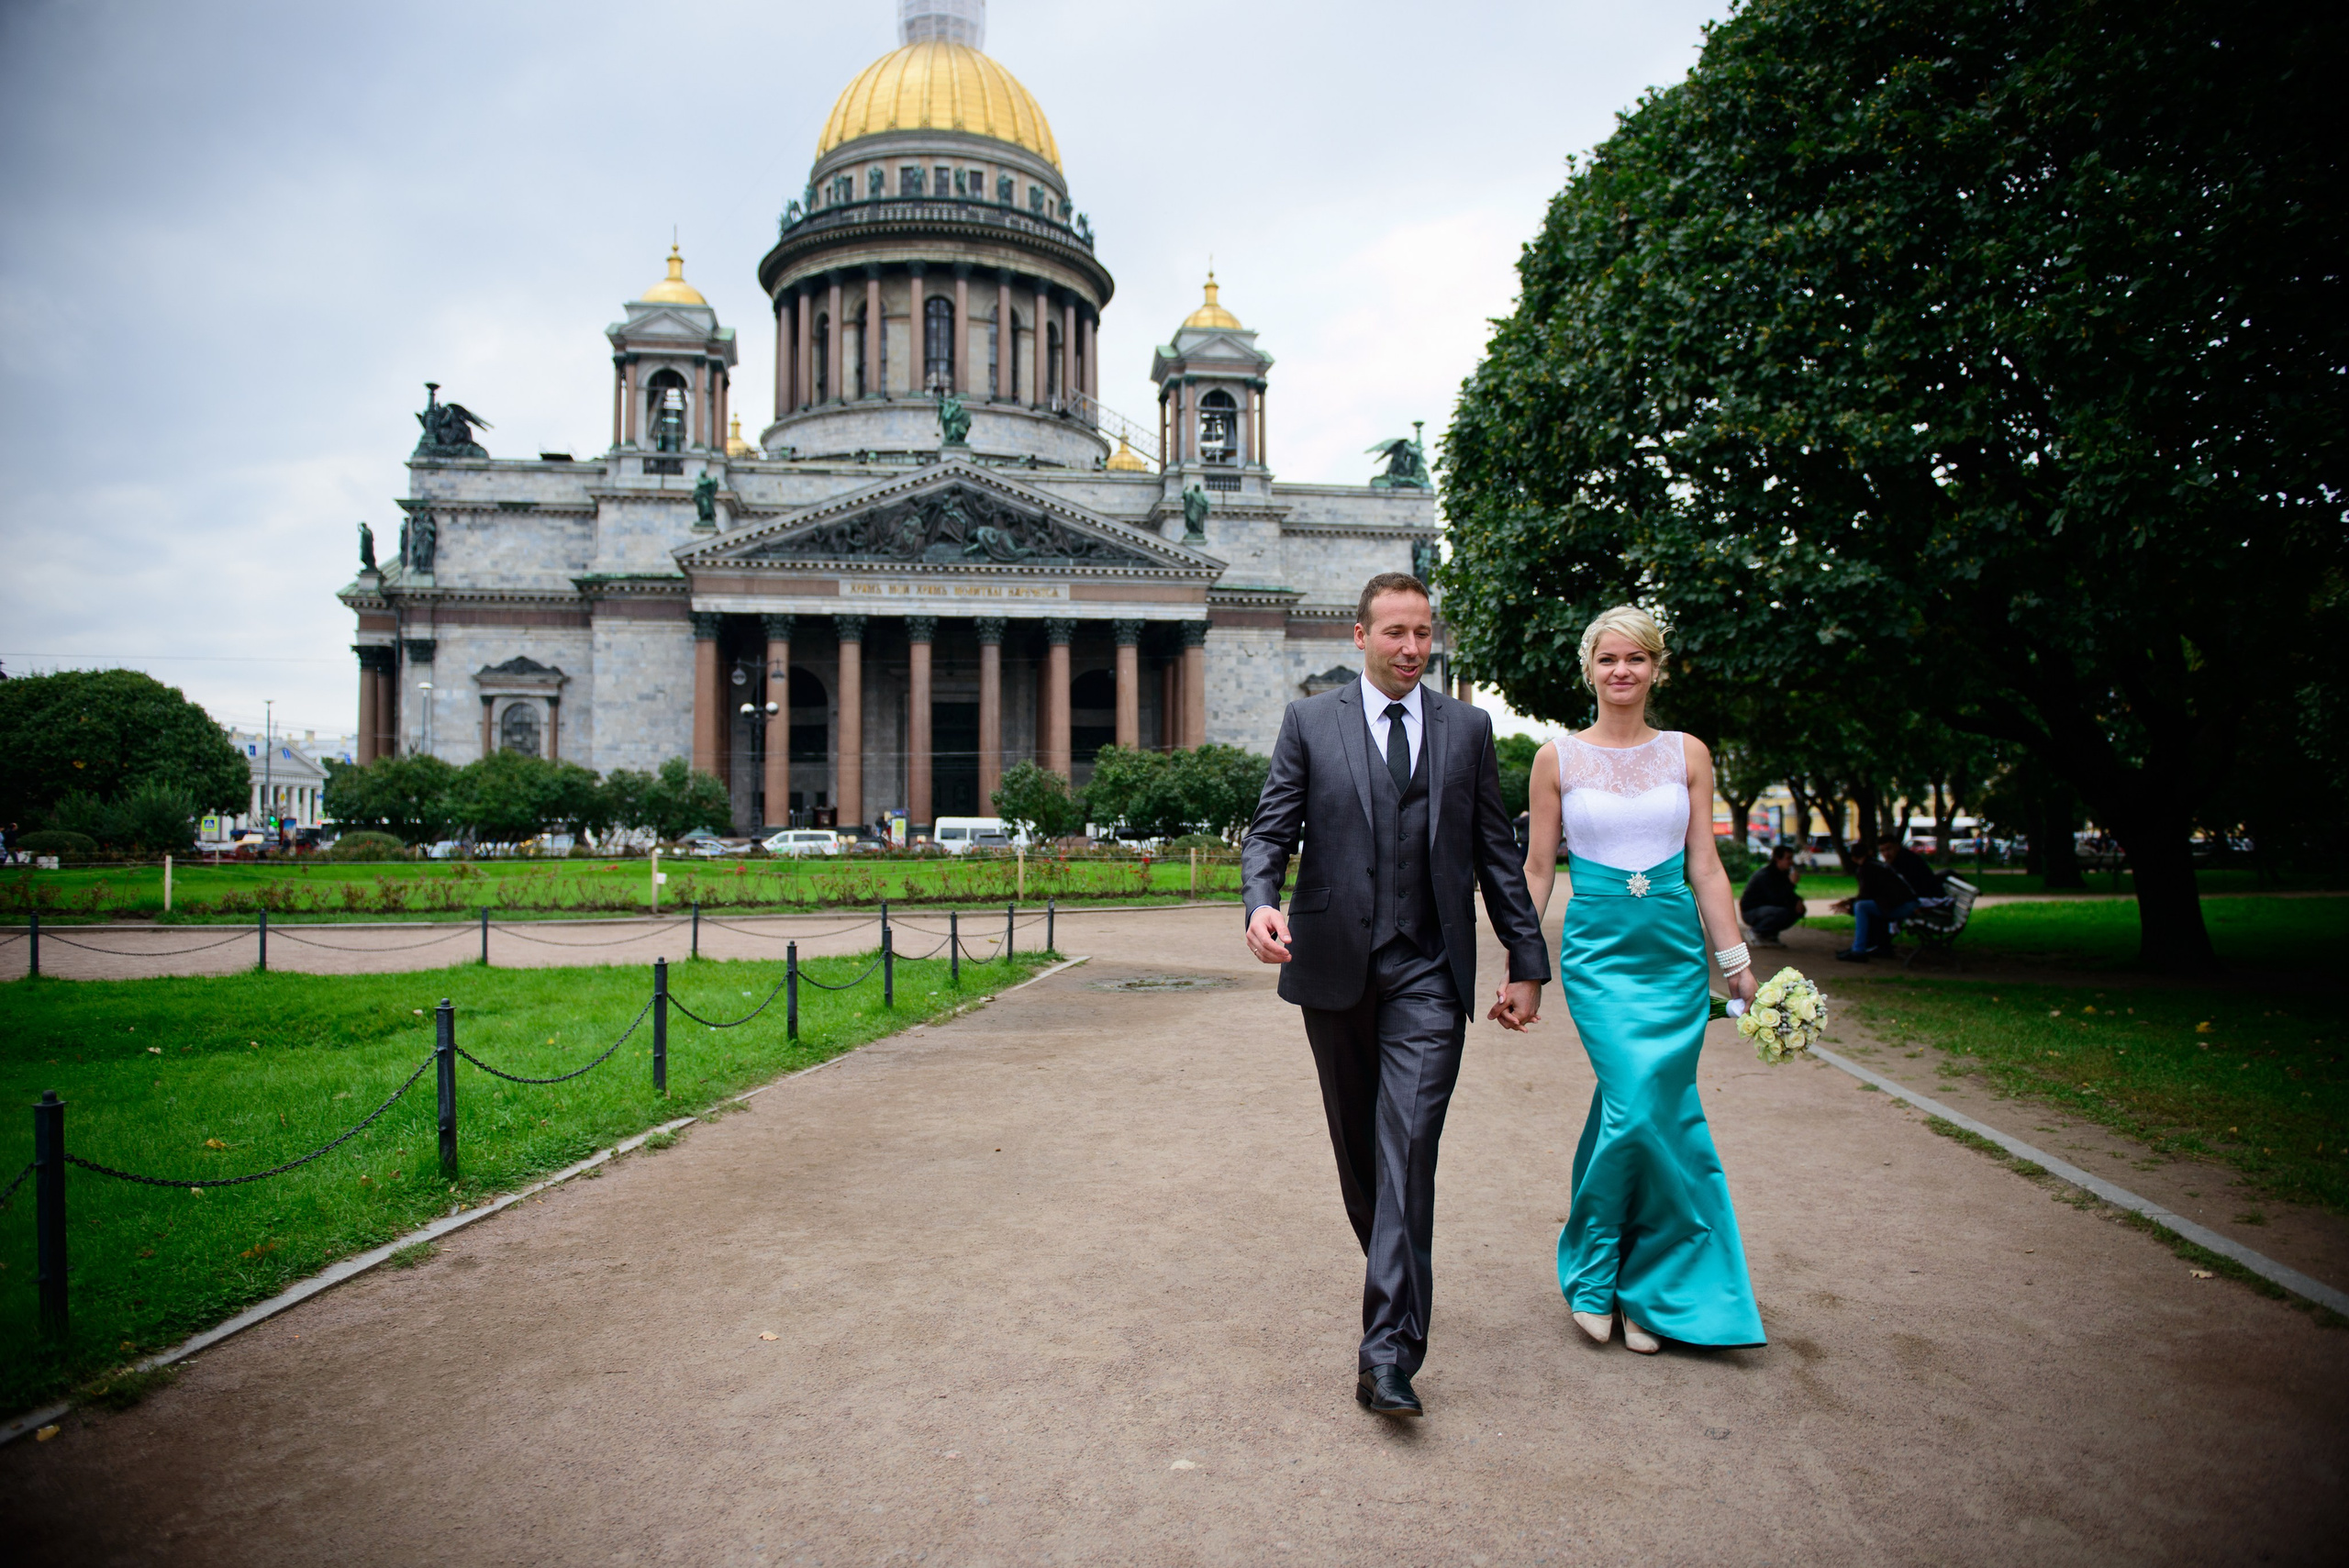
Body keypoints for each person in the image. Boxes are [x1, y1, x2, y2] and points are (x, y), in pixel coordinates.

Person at [1242, 572, 1549, 1419]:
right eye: (1396, 633)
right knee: (1362, 1158)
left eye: (1423, 633)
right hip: (1334, 964)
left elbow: (1496, 854)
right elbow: (1271, 829)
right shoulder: (1310, 721)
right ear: (1360, 636)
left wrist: (1526, 960)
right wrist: (1261, 899)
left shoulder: (1470, 728)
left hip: (1428, 971)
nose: (1413, 648)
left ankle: (1388, 1354)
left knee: (1409, 1144)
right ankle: (1396, 1274)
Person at [1513, 605, 1766, 1355]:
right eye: (1608, 659)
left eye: (1637, 659)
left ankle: (1647, 1287)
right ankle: (1594, 1274)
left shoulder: (1689, 753)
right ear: (1589, 669)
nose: (1622, 671)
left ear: (1657, 668)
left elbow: (1706, 866)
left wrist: (1737, 964)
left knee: (1656, 1114)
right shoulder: (1555, 757)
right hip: (1599, 954)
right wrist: (1526, 967)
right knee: (1633, 1108)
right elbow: (1537, 870)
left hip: (1673, 954)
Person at [1833, 835, 1943, 961]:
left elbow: (1869, 894)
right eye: (1883, 850)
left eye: (1888, 849)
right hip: (1910, 903)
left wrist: (1850, 906)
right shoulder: (1879, 865)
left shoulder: (1870, 868)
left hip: (1913, 904)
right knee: (1867, 906)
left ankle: (1859, 950)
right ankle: (1871, 946)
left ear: (1853, 859)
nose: (1886, 854)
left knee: (1862, 906)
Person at [1739, 844, 1805, 945]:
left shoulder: (1782, 874)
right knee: (1782, 912)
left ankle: (1769, 935)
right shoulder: (1765, 875)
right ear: (1778, 859)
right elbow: (1775, 898)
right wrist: (1791, 884)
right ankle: (1757, 932)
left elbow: (1786, 895)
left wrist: (1798, 901)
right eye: (1788, 858)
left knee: (1795, 910)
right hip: (1752, 911)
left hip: (1767, 908)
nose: (1791, 862)